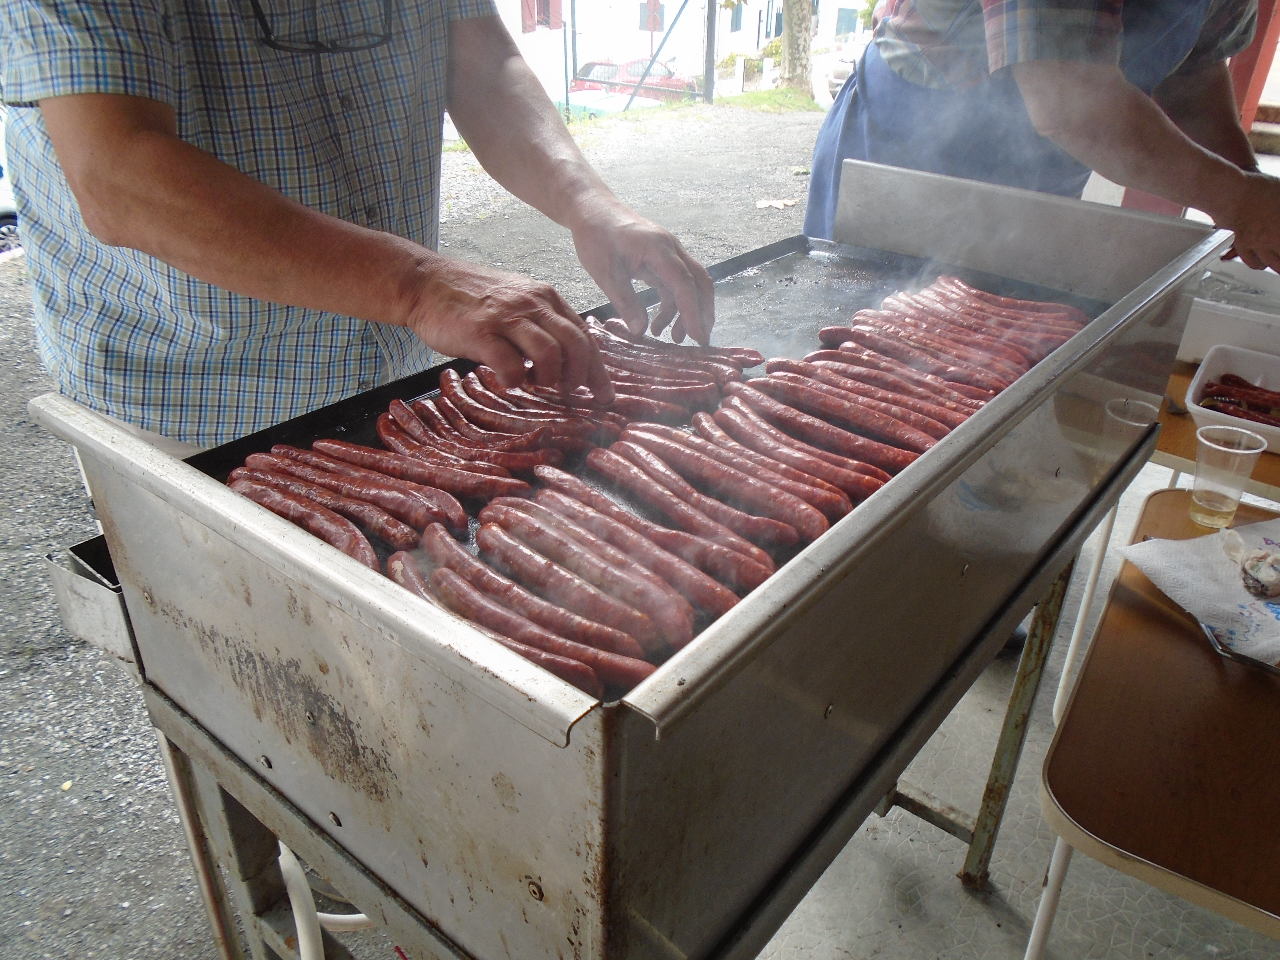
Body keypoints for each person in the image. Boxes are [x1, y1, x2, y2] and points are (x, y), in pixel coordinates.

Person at [0, 1, 714, 451]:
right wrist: (421, 286)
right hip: (186, 393)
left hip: (391, 374)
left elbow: (481, 58)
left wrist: (588, 201)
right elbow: (118, 176)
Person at [805, 0, 1280, 274]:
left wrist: (1250, 191)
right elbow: (1069, 102)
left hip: (1046, 165)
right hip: (905, 146)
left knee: (997, 354)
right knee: (852, 343)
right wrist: (1239, 200)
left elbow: (1193, 75)